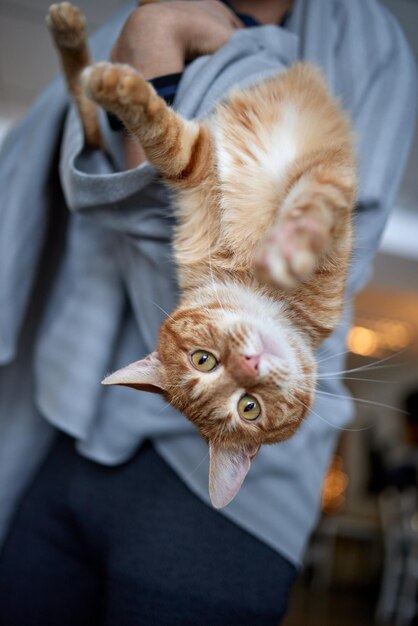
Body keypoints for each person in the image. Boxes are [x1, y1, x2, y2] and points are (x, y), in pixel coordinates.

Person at [0, 1, 416, 624]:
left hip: (226, 499)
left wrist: (160, 47)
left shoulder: (370, 40)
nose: (248, 367)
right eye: (248, 397)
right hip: (77, 420)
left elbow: (146, 200)